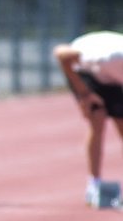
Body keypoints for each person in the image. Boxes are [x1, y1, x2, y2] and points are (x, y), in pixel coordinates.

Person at [53, 31, 123, 206]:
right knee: (97, 120)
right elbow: (60, 53)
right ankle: (94, 184)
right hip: (84, 73)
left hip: (111, 79)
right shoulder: (109, 57)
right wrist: (84, 93)